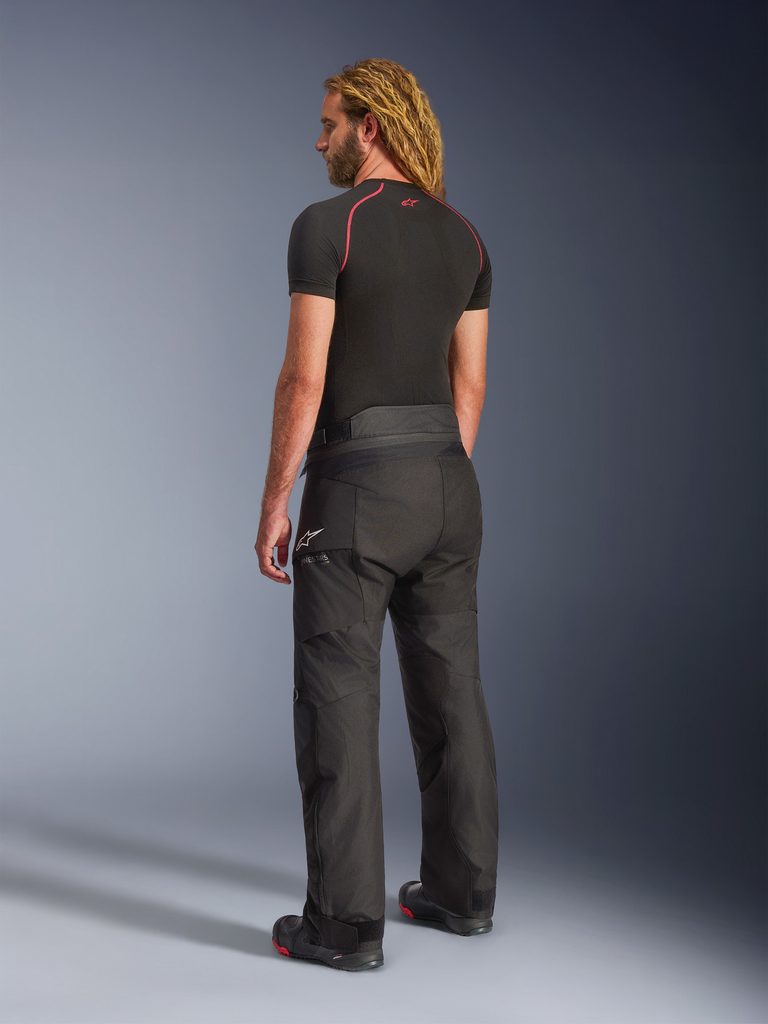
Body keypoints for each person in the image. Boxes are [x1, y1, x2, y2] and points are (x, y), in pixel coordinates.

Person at [254, 57, 499, 972]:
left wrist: (275, 500)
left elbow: (303, 378)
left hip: (358, 487)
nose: (316, 138)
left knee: (338, 697)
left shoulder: (328, 227)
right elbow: (470, 385)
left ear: (373, 126)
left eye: (329, 123)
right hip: (448, 484)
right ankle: (462, 895)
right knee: (452, 691)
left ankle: (345, 927)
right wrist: (433, 476)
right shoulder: (466, 237)